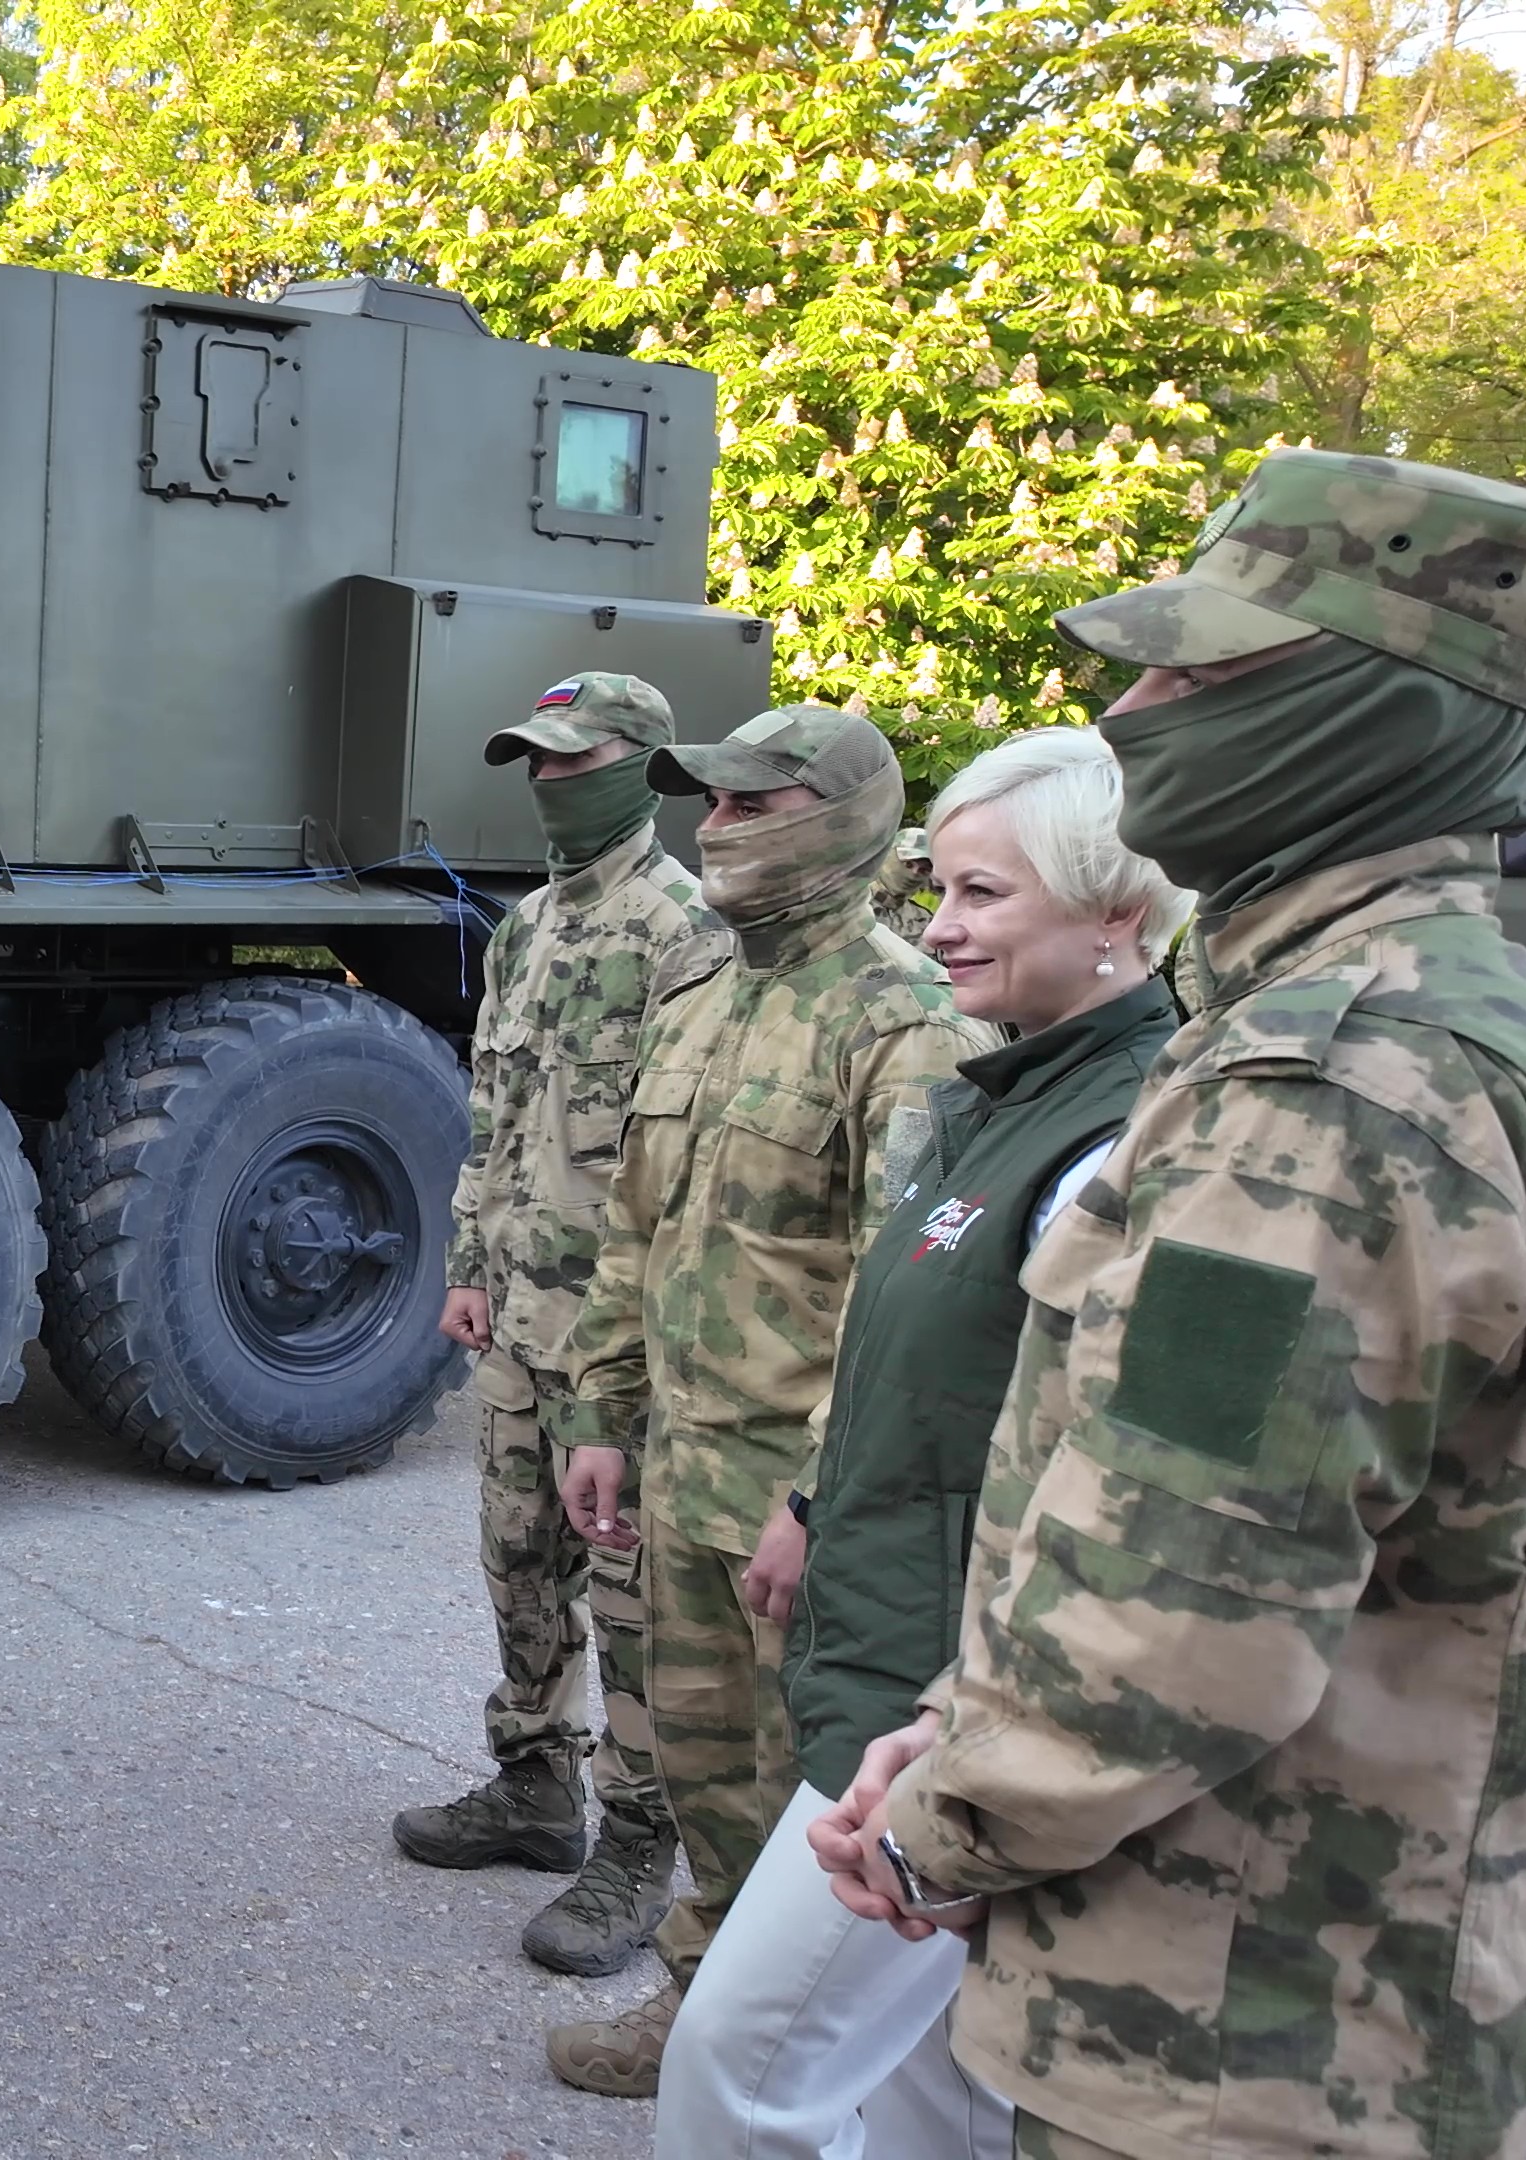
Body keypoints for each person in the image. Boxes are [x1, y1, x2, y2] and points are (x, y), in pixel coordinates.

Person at [815, 451, 1526, 2159]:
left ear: (1373, 714)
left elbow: (1191, 1603)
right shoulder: (1471, 1010)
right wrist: (968, 1721)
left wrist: (952, 1820)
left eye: (1197, 673)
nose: (1135, 713)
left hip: (1244, 2025)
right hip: (1359, 1992)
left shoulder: (1331, 1087)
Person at [654, 728, 1186, 2158]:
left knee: (739, 2069)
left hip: (946, 1709)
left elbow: (1134, 1483)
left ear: (1116, 916)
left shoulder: (1127, 1133)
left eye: (985, 897)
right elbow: (914, 1372)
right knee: (932, 2090)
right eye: (937, 890)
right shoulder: (996, 1100)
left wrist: (971, 1724)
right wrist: (818, 1501)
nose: (940, 928)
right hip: (891, 1651)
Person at [543, 703, 988, 2095]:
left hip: (793, 1501)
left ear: (844, 821)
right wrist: (602, 1415)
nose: (715, 830)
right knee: (698, 1766)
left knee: (814, 1786)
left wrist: (814, 1494)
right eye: (712, 806)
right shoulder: (701, 1001)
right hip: (678, 1468)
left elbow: (898, 1297)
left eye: (752, 805)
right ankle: (706, 2012)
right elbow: (635, 1231)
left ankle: (832, 2058)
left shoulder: (904, 1021)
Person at [397, 672, 721, 1981]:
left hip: (618, 1334)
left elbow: (679, 1168)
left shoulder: (687, 931)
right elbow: (498, 1116)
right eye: (531, 760)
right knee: (519, 1564)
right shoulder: (530, 927)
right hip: (521, 1313)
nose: (545, 781)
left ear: (644, 765)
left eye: (571, 760)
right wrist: (471, 1260)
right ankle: (535, 1788)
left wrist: (639, 1351)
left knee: (636, 1599)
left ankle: (641, 1844)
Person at [873, 825, 936, 944]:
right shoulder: (851, 907)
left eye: (924, 870)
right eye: (908, 864)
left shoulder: (925, 921)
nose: (914, 873)